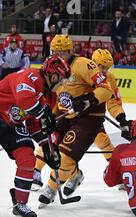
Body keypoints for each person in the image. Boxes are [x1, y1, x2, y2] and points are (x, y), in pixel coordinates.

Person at [31, 48, 130, 192]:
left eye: (107, 67)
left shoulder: (109, 78)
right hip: (70, 116)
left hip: (90, 119)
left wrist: (122, 119)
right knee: (52, 141)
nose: (104, 70)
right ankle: (37, 171)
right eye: (101, 66)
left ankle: (121, 174)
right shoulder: (82, 70)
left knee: (104, 144)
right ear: (94, 63)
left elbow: (114, 103)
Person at [38, 35, 115, 207]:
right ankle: (75, 175)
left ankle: (50, 189)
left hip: (88, 118)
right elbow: (55, 93)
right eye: (54, 52)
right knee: (50, 148)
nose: (57, 55)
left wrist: (89, 100)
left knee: (65, 157)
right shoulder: (53, 65)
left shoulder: (84, 64)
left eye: (61, 52)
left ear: (70, 51)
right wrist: (50, 114)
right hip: (67, 116)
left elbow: (106, 90)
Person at [0, 55, 70, 217]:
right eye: (60, 79)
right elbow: (25, 100)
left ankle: (20, 204)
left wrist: (47, 149)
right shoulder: (30, 77)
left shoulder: (50, 95)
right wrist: (43, 113)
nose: (62, 84)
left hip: (10, 124)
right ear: (53, 75)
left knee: (27, 158)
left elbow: (33, 123)